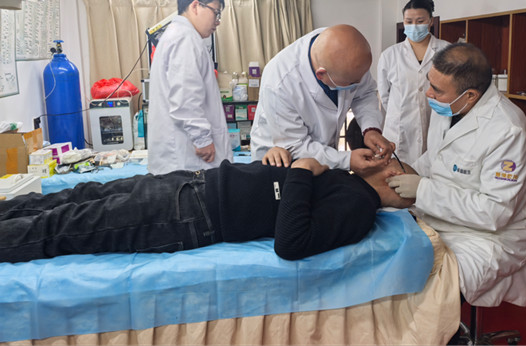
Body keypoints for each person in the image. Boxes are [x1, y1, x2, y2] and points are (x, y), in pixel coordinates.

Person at [0, 148, 413, 264]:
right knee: (76, 195)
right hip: (195, 185)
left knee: (65, 225)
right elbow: (289, 193)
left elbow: (292, 241)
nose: (383, 157)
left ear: (396, 178)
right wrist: (284, 159)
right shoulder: (348, 181)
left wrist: (303, 171)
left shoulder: (360, 208)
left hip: (194, 215)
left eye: (392, 161)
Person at [387, 43, 526, 307]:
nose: (428, 93)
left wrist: (422, 190)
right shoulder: (449, 107)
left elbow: (494, 213)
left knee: (429, 295)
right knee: (390, 267)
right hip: (437, 218)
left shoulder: (508, 131)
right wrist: (401, 171)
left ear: (469, 95)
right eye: (429, 83)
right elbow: (435, 159)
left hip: (485, 239)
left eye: (437, 90)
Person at [251, 24, 394, 173]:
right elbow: (295, 145)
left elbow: (365, 93)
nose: (358, 84)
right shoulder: (279, 83)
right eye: (352, 83)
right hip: (282, 159)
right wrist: (347, 160)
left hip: (322, 156)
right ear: (321, 74)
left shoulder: (347, 51)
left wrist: (371, 129)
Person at [147, 0, 232, 175]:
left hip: (179, 158)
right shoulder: (185, 38)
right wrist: (202, 140)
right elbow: (185, 97)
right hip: (188, 160)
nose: (218, 21)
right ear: (195, 6)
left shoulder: (176, 36)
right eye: (216, 13)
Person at [377, 0, 450, 167]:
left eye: (420, 21)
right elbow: (385, 96)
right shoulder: (390, 55)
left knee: (434, 172)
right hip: (399, 131)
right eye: (409, 21)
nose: (414, 26)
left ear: (430, 21)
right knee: (398, 175)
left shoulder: (447, 51)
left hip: (436, 124)